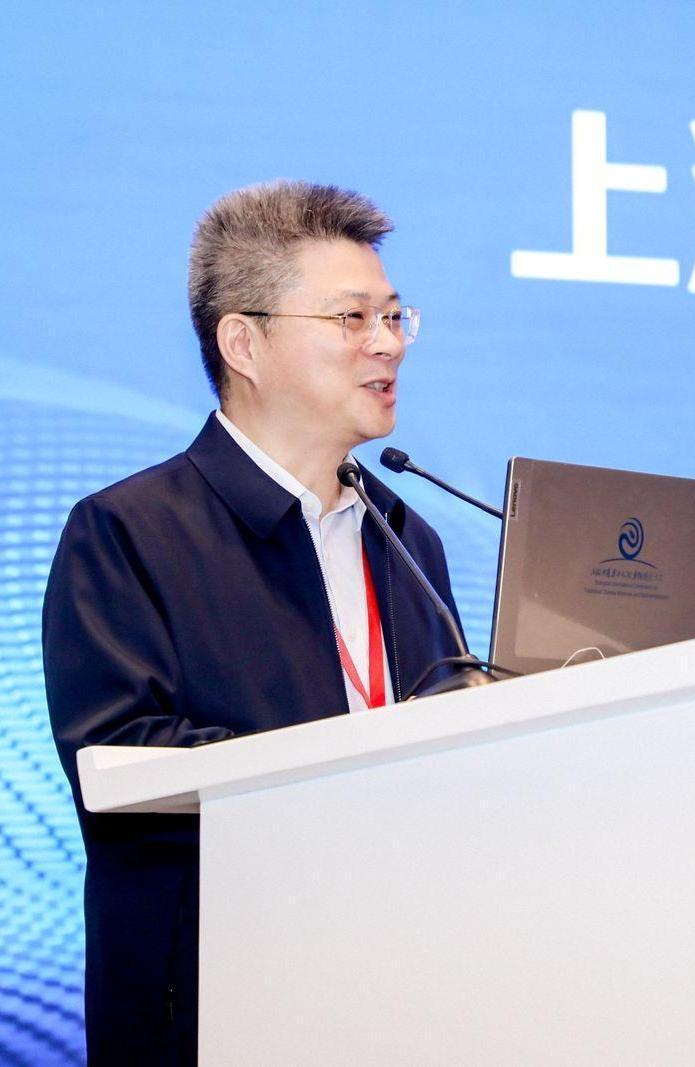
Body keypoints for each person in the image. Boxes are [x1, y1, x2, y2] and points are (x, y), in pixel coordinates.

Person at [43, 180, 465, 1066]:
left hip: (407, 993)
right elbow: (127, 766)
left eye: (394, 316)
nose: (388, 342)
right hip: (218, 1010)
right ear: (244, 343)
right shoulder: (128, 533)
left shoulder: (408, 538)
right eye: (352, 318)